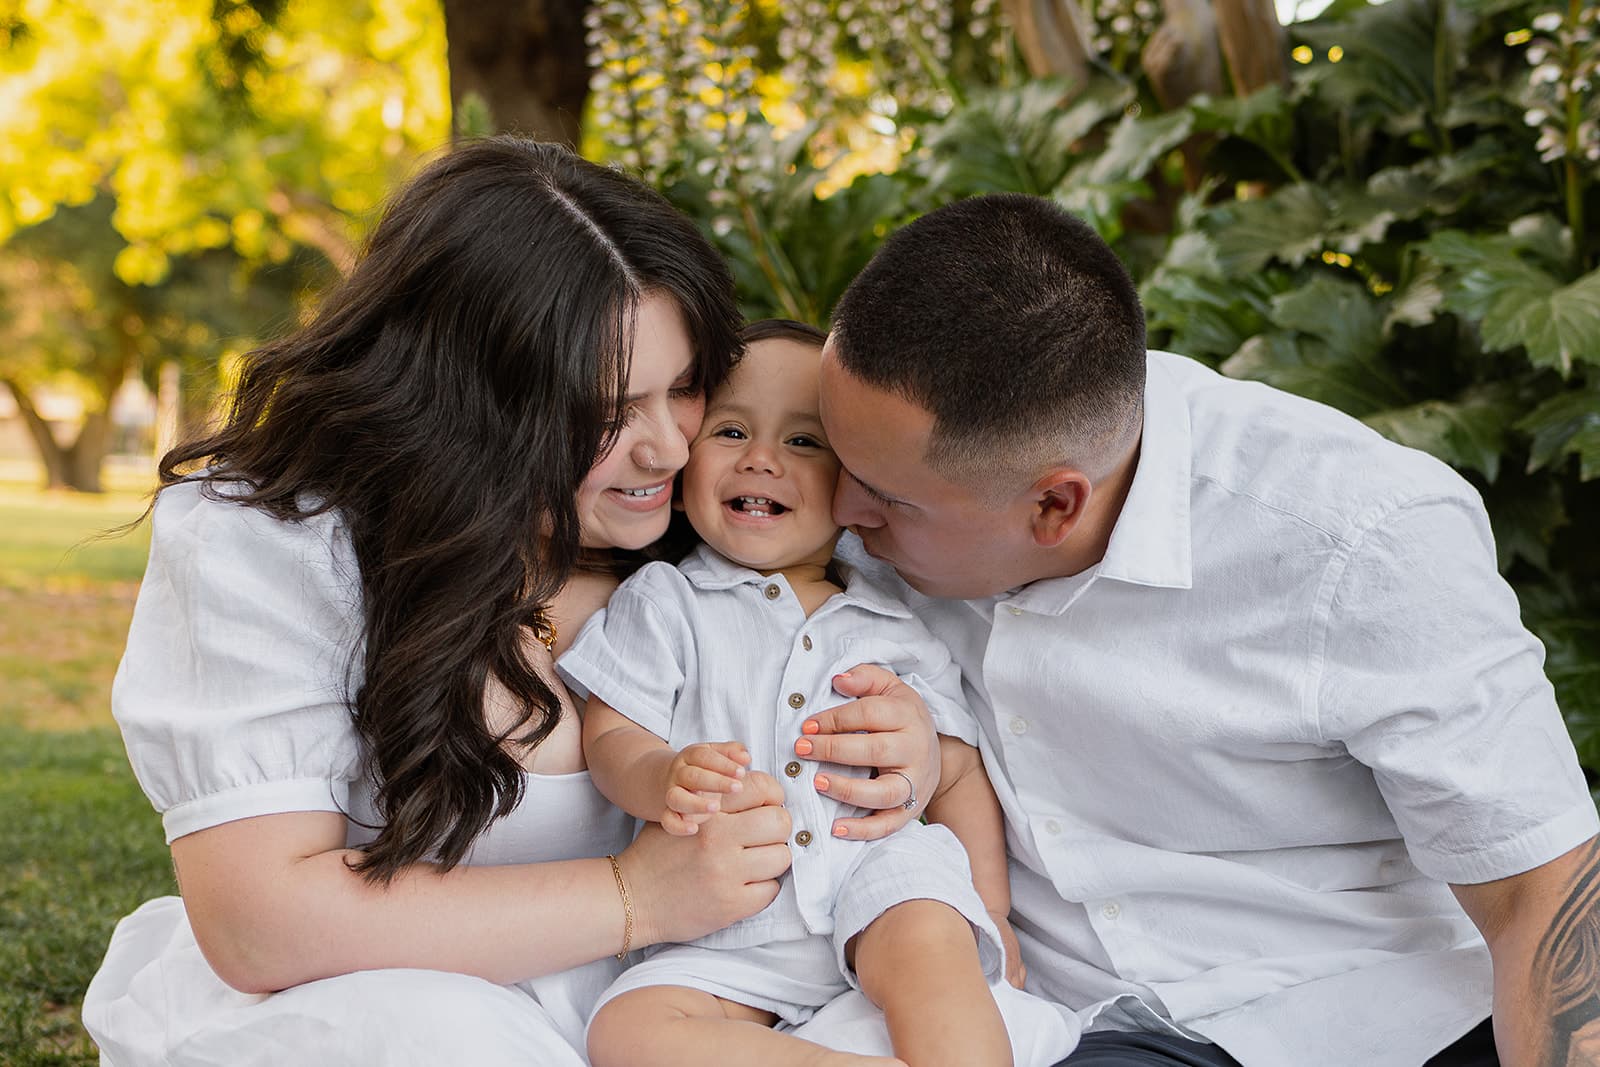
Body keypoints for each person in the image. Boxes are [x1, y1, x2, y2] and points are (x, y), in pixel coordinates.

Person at [80, 138, 943, 1067]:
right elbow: (261, 923)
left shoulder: (726, 527)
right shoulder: (280, 543)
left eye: (686, 388)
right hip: (394, 1004)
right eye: (609, 411)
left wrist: (916, 756)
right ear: (466, 402)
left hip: (696, 1006)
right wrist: (635, 895)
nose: (666, 446)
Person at [809, 192, 1600, 1067]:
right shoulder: (880, 493)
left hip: (1353, 1012)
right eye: (834, 457)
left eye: (885, 498)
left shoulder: (1358, 539)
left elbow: (1540, 896)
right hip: (1061, 1023)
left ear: (1054, 505)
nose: (838, 512)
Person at [564, 319, 1076, 1067]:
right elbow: (614, 734)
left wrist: (991, 908)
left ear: (854, 484)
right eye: (731, 431)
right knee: (626, 1030)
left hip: (879, 878)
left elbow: (958, 771)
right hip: (725, 908)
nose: (761, 459)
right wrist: (661, 775)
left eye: (804, 442)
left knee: (933, 950)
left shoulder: (893, 618)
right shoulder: (665, 601)